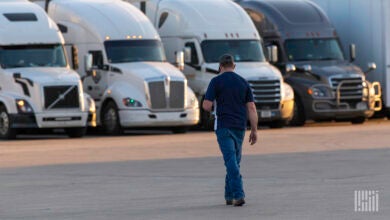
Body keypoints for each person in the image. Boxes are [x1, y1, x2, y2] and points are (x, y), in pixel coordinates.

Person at [202, 54, 258, 207]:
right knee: (234, 161)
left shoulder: (216, 81)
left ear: (220, 67)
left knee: (230, 161)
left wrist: (212, 108)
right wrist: (254, 130)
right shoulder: (243, 82)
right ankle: (229, 195)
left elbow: (206, 105)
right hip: (240, 127)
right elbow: (251, 107)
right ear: (234, 66)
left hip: (223, 126)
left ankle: (238, 195)